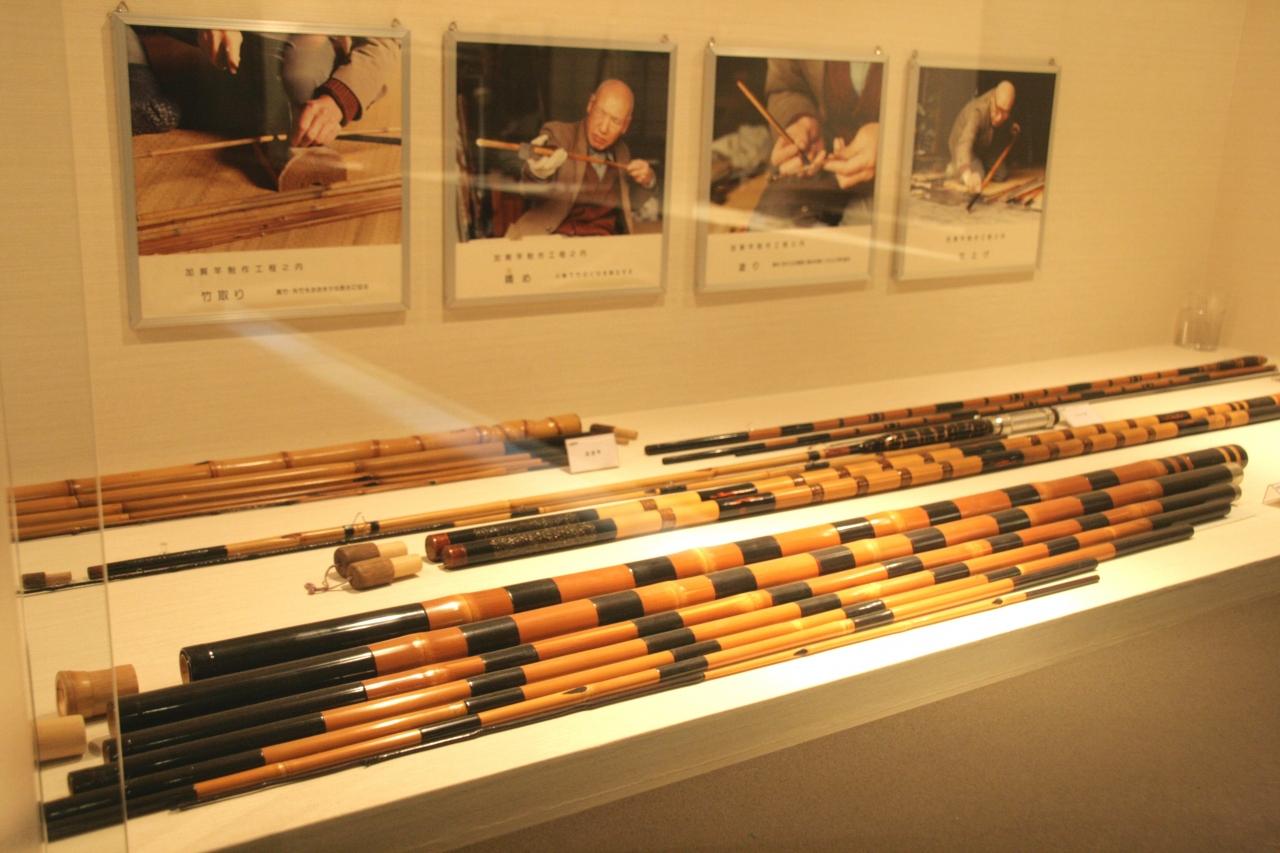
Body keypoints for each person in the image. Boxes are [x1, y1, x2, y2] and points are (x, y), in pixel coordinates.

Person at [128, 27, 398, 166]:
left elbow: (385, 38)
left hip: (300, 33)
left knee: (300, 83)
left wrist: (338, 100)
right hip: (214, 25)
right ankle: (137, 78)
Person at [505, 79, 659, 238]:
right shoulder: (559, 135)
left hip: (603, 244)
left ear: (625, 125)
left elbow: (629, 205)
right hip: (556, 241)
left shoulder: (622, 152)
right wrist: (537, 173)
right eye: (601, 113)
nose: (603, 128)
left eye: (615, 121)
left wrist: (648, 180)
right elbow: (530, 186)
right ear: (590, 105)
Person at [748, 58, 882, 230]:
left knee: (866, 234)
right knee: (767, 226)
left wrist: (894, 139)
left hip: (907, 172)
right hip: (822, 160)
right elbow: (785, 87)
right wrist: (800, 119)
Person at [947, 80, 1017, 192]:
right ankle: (957, 165)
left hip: (982, 144)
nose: (999, 117)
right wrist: (967, 175)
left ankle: (976, 164)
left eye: (1005, 112)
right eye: (998, 110)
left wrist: (1011, 126)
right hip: (961, 145)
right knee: (979, 174)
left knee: (1002, 174)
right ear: (992, 99)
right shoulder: (977, 111)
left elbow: (1005, 113)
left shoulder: (1001, 103)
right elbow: (965, 143)